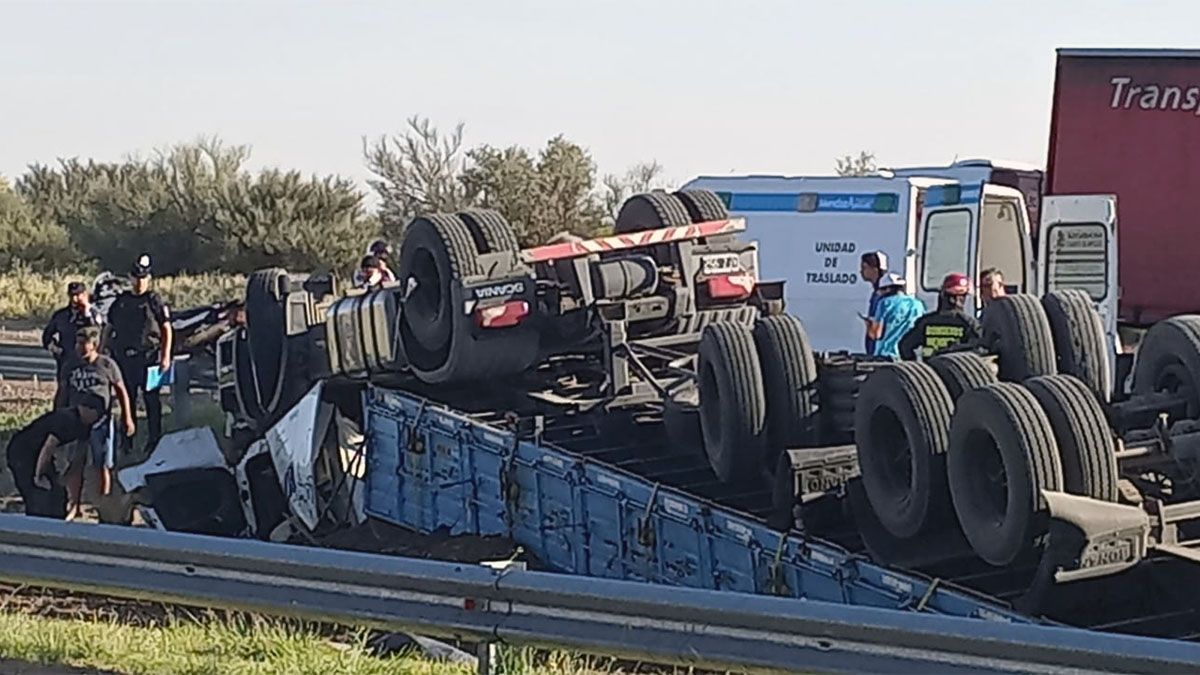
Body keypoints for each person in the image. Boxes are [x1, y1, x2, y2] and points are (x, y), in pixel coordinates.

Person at [59, 327, 135, 517]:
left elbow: (121, 391)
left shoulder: (107, 365)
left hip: (101, 422)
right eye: (77, 343)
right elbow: (62, 392)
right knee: (75, 464)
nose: (79, 347)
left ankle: (104, 505)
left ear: (94, 345)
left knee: (102, 465)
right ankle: (74, 505)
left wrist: (127, 417)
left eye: (83, 343)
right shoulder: (70, 365)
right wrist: (56, 417)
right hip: (75, 421)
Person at [104, 254, 172, 457]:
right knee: (128, 400)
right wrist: (102, 349)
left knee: (152, 401)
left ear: (148, 279)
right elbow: (109, 327)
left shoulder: (154, 300)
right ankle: (127, 440)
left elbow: (166, 328)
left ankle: (154, 440)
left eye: (143, 278)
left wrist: (165, 355)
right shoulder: (121, 301)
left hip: (148, 357)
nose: (140, 282)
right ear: (130, 278)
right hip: (125, 358)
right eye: (136, 277)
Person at [8, 394, 105, 520]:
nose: (98, 419)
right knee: (37, 493)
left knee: (57, 493)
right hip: (22, 451)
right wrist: (39, 475)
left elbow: (79, 459)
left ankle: (57, 521)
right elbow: (48, 448)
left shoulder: (85, 427)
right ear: (87, 409)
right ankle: (36, 524)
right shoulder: (67, 420)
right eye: (98, 415)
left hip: (39, 453)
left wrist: (66, 478)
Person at [42, 281, 104, 406]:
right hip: (66, 360)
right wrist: (56, 350)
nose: (75, 299)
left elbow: (98, 331)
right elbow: (47, 336)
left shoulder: (93, 314)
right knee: (64, 393)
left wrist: (87, 311)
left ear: (85, 295)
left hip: (87, 362)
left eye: (78, 295)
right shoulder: (61, 315)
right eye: (72, 295)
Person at [899, 273, 983, 360]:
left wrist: (916, 365)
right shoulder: (969, 323)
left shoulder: (925, 322)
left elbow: (905, 346)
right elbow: (979, 349)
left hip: (930, 367)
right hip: (957, 367)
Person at [866, 272, 926, 360]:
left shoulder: (884, 303)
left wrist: (869, 325)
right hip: (910, 354)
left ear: (887, 289)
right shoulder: (918, 304)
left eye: (881, 290)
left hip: (887, 355)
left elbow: (876, 334)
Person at [859, 251, 889, 354]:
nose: (861, 271)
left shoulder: (882, 294)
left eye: (864, 267)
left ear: (875, 269)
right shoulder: (876, 292)